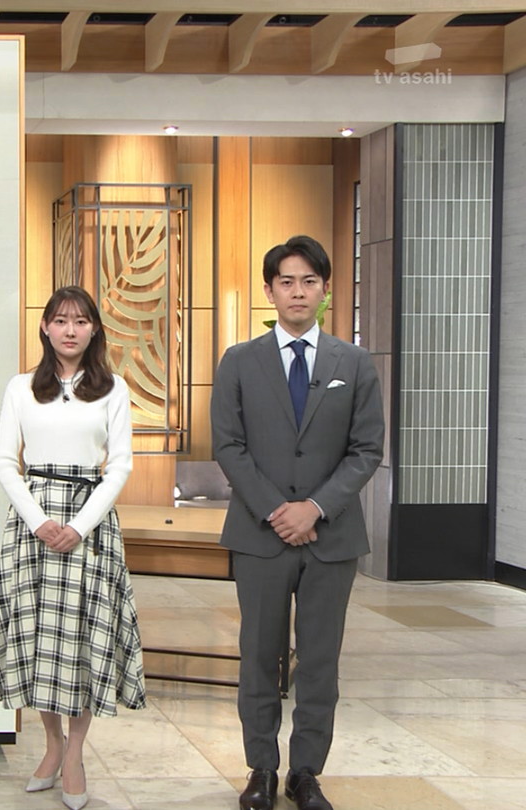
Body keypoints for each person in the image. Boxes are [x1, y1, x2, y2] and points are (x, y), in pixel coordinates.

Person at [211, 235, 384, 810]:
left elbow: (366, 449)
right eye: (286, 282)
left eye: (309, 281)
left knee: (320, 661)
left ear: (326, 289)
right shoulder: (239, 361)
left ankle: (306, 772)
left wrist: (315, 507)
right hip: (260, 535)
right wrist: (277, 510)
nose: (298, 292)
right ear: (269, 290)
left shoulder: (353, 363)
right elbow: (229, 446)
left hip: (331, 537)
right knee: (260, 655)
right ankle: (261, 768)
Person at [0, 285, 145, 810]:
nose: (69, 330)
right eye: (60, 320)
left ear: (94, 329)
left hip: (89, 521)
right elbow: (5, 461)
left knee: (82, 639)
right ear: (45, 328)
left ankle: (74, 752)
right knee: (39, 639)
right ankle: (51, 744)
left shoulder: (113, 389)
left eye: (79, 321)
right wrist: (39, 522)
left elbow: (119, 465)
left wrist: (79, 525)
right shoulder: (21, 388)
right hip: (34, 520)